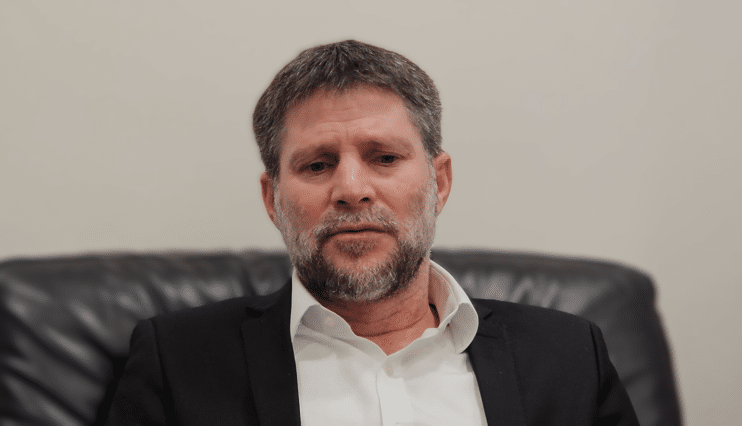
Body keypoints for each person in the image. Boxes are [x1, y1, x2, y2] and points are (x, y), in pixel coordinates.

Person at [106, 40, 639, 426]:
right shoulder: (177, 361)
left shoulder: (569, 355)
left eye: (383, 158)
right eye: (317, 165)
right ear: (272, 200)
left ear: (439, 182)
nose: (352, 189)